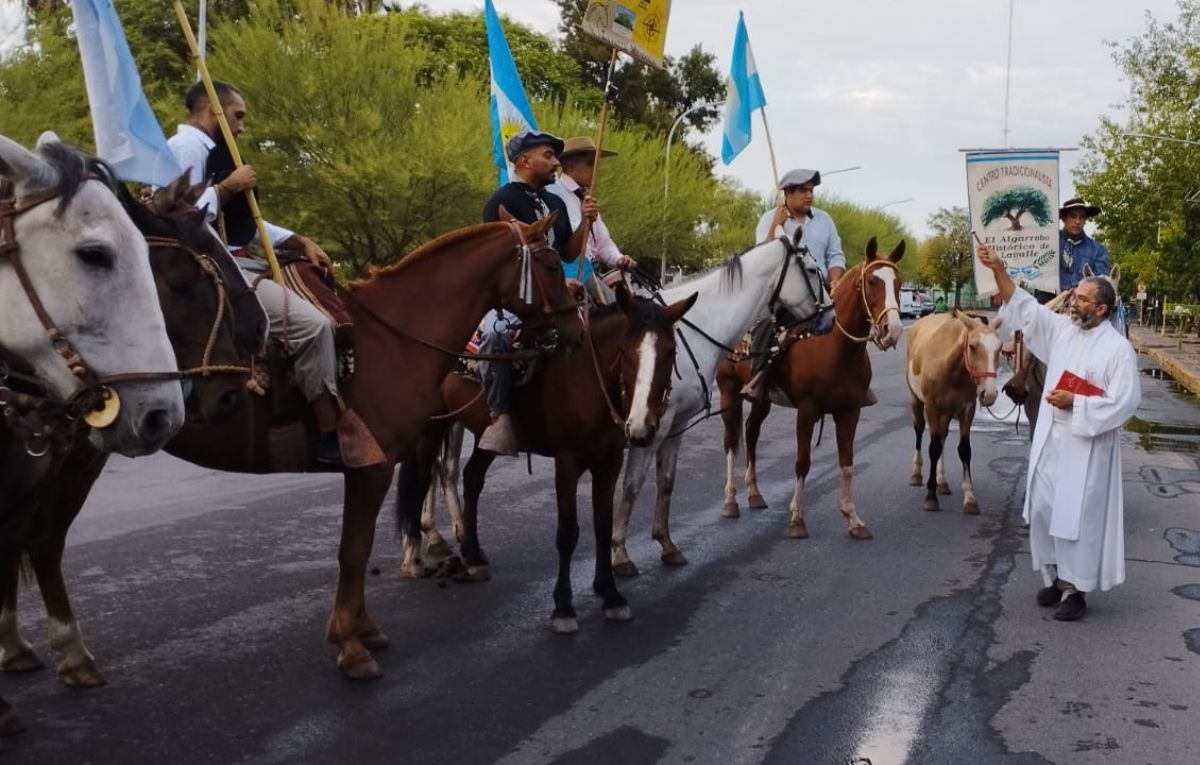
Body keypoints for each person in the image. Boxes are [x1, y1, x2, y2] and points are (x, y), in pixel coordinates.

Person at [167, 80, 344, 465]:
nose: (242, 127)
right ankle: (328, 434)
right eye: (238, 116)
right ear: (213, 110)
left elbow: (246, 223)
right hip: (213, 265)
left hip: (243, 255)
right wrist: (228, 187)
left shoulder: (214, 151)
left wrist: (298, 241)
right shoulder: (185, 148)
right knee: (315, 327)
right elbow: (180, 214)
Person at [977, 241, 1140, 621]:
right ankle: (1052, 577)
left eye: (1081, 298)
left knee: (1077, 518)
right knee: (1046, 509)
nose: (1072, 301)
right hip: (1052, 441)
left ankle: (1076, 590)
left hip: (1087, 447)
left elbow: (1125, 402)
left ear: (1100, 309)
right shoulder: (1063, 332)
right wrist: (998, 268)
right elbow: (1026, 308)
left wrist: (1078, 403)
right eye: (1074, 296)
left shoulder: (1118, 350)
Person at [476, 129, 594, 456]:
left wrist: (586, 222)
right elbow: (502, 263)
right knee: (496, 335)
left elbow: (569, 254)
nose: (556, 162)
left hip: (552, 298)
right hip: (514, 302)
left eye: (556, 156)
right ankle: (497, 415)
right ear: (524, 160)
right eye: (549, 156)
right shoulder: (501, 202)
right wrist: (558, 286)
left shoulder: (554, 201)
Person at [546, 136, 637, 301]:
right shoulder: (554, 195)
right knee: (620, 316)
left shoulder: (586, 197)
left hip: (595, 273)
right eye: (590, 164)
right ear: (570, 165)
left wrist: (618, 258)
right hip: (574, 274)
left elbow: (602, 242)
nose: (596, 170)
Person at [755, 169, 845, 287]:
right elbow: (762, 259)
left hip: (823, 292)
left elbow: (835, 255)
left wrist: (835, 280)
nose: (809, 195)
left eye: (811, 190)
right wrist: (776, 224)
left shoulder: (824, 219)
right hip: (785, 295)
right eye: (803, 190)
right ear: (788, 192)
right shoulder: (769, 218)